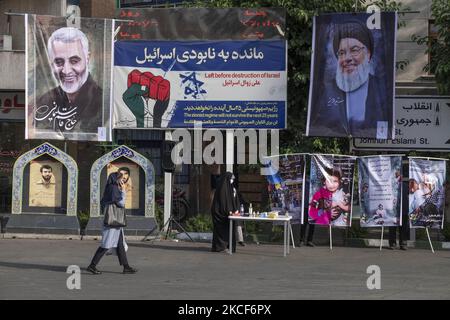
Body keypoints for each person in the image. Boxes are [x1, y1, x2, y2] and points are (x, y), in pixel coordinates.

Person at [309, 20, 391, 138]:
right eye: (342, 53)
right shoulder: (327, 91)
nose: (347, 58)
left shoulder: (382, 89)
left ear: (368, 53)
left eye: (354, 50)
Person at [33, 27, 103, 133]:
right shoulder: (44, 102)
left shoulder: (102, 103)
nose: (66, 71)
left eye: (74, 61)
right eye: (59, 62)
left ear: (87, 58)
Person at [87, 171, 137, 274]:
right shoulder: (114, 188)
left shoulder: (110, 187)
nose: (122, 180)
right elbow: (121, 203)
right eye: (120, 178)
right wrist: (123, 191)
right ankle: (92, 265)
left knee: (120, 245)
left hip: (115, 222)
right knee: (106, 244)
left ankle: (126, 267)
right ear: (116, 178)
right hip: (112, 222)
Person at [211, 172, 239, 253]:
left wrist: (234, 210)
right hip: (220, 214)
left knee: (230, 228)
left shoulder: (230, 188)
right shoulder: (222, 189)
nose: (232, 181)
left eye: (233, 179)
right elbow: (223, 203)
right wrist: (228, 211)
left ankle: (228, 246)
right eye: (231, 179)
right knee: (221, 230)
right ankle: (220, 247)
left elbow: (232, 201)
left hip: (226, 213)